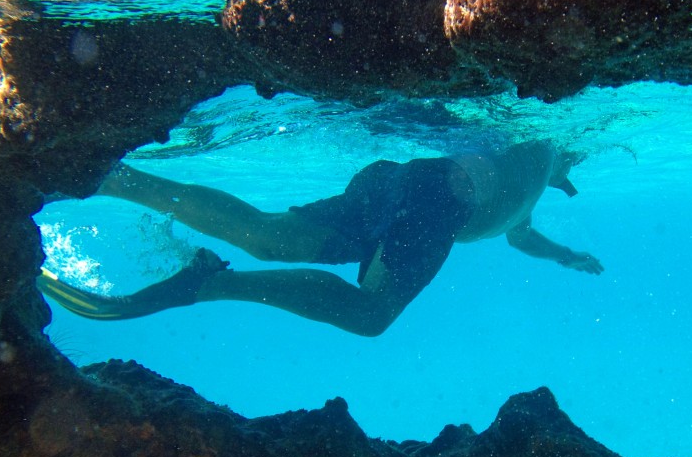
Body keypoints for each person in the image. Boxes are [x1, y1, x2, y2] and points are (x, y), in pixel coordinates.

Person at [38, 140, 603, 336]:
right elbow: (501, 158)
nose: (571, 176)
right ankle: (210, 285)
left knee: (267, 235)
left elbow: (521, 238)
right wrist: (464, 177)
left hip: (400, 183)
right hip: (436, 197)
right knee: (371, 314)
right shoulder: (542, 154)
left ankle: (113, 177)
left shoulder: (527, 201)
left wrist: (566, 256)